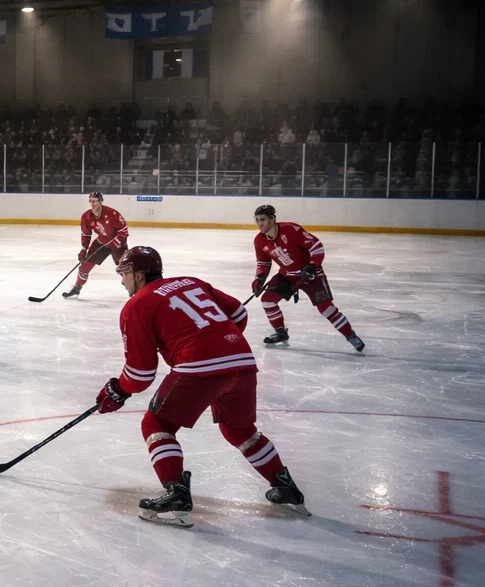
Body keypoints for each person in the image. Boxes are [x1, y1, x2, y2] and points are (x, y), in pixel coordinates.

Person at [95, 246, 309, 528]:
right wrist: (217, 342)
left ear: (138, 273)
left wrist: (117, 390)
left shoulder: (135, 306)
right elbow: (239, 313)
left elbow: (140, 373)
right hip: (242, 362)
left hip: (198, 368)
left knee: (156, 423)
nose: (122, 280)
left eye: (124, 273)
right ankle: (285, 486)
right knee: (240, 430)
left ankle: (176, 493)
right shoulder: (192, 282)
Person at [251, 204, 364, 352]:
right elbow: (263, 263)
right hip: (288, 275)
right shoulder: (259, 240)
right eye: (257, 220)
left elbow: (316, 247)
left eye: (263, 219)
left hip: (311, 275)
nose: (260, 224)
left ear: (273, 218)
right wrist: (259, 280)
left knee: (326, 309)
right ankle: (280, 332)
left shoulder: (291, 229)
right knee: (267, 300)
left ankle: (350, 335)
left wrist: (311, 266)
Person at [62, 190, 129, 298]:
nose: (93, 204)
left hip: (118, 244)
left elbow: (123, 232)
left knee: (125, 268)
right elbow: (86, 234)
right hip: (101, 242)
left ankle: (137, 289)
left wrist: (113, 244)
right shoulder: (86, 216)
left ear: (101, 201)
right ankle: (77, 288)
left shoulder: (112, 214)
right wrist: (84, 249)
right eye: (91, 201)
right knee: (84, 266)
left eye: (95, 201)